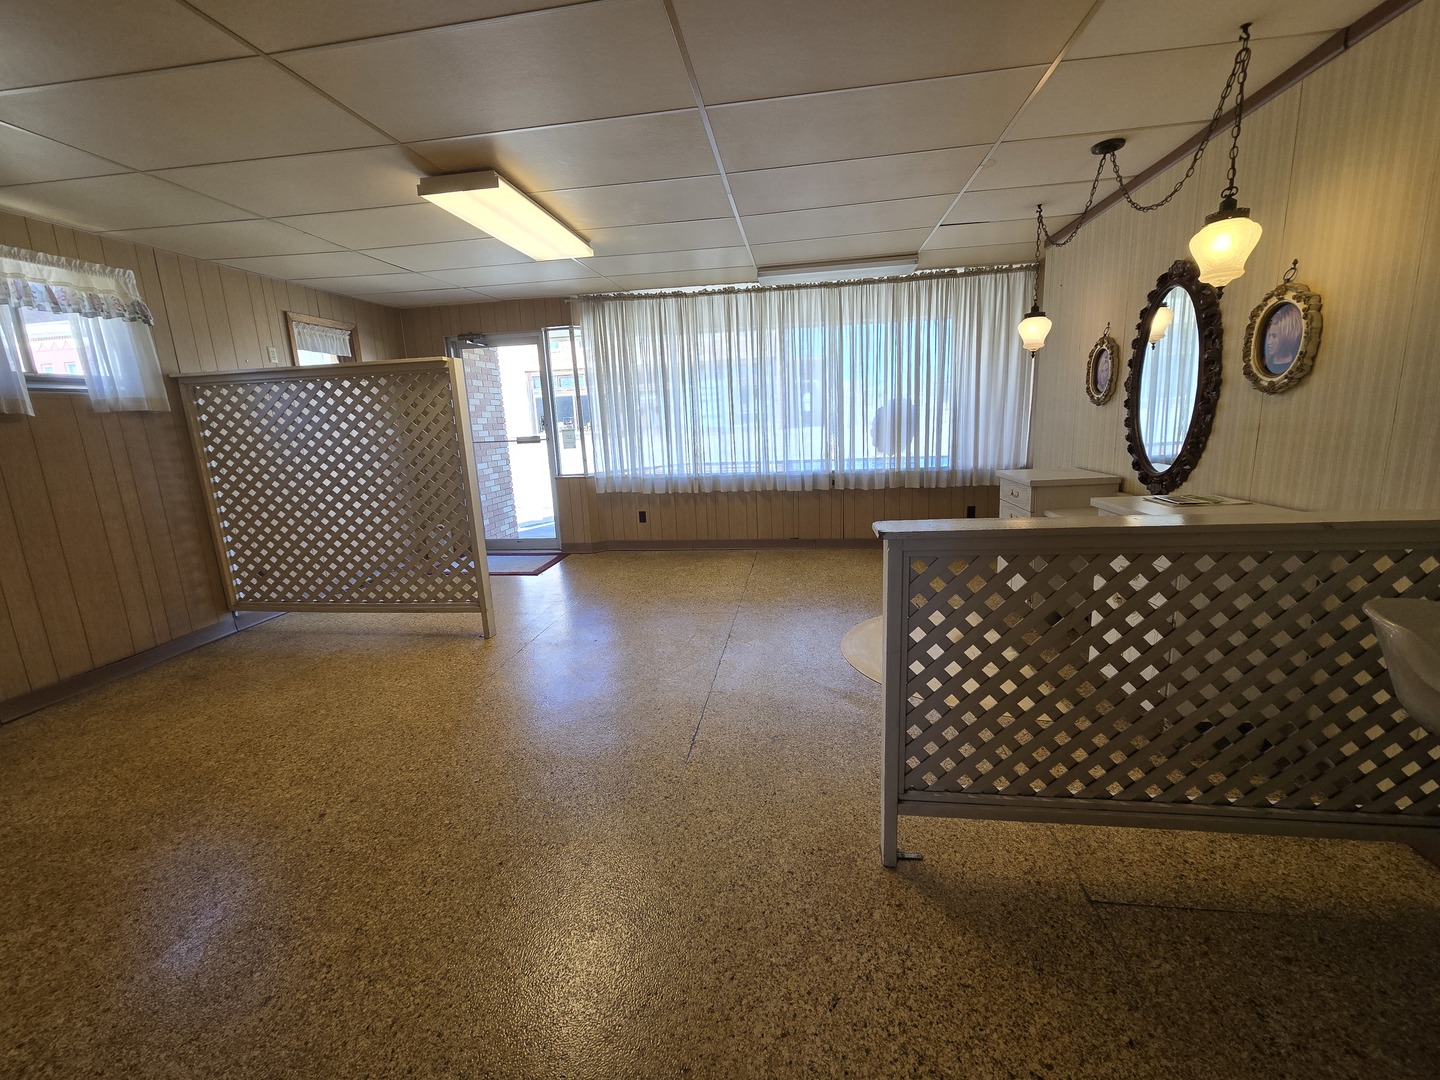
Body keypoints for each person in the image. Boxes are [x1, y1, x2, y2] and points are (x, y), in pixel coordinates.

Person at [1262, 301, 1304, 375]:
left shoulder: (1296, 365)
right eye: (1269, 336)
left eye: (1274, 336)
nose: (1268, 342)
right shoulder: (1264, 364)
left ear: (1286, 337)